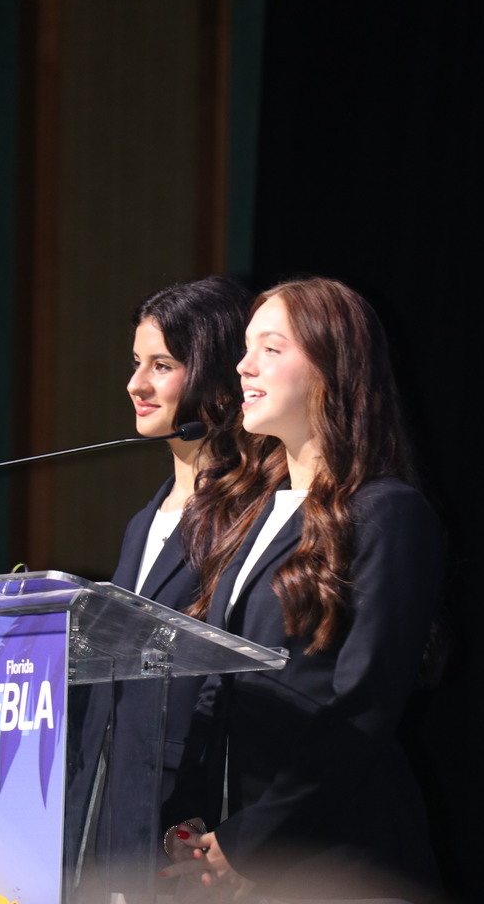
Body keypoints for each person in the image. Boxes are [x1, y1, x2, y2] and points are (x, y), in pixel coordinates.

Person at [161, 277, 446, 903]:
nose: (242, 365)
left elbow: (365, 701)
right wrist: (192, 822)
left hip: (338, 855)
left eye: (271, 347)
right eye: (244, 348)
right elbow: (217, 683)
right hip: (234, 854)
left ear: (329, 368)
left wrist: (253, 840)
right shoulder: (254, 517)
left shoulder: (388, 513)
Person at [72, 275, 252, 902]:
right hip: (105, 837)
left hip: (189, 839)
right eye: (135, 363)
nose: (135, 384)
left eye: (162, 365)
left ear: (217, 377)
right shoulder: (141, 524)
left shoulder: (253, 520)